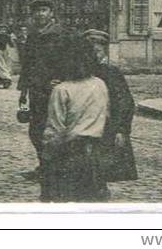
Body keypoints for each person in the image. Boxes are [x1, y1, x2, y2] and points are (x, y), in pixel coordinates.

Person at [40, 36, 110, 202]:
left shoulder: (61, 90)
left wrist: (47, 155)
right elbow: (106, 115)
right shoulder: (100, 84)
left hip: (69, 154)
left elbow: (55, 129)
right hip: (96, 154)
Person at [17, 0, 68, 180]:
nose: (40, 14)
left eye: (44, 10)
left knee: (53, 130)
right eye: (37, 11)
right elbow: (27, 65)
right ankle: (44, 165)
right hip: (36, 90)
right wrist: (23, 91)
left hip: (54, 92)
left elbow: (67, 61)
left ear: (51, 13)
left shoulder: (60, 35)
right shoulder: (33, 36)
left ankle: (53, 168)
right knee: (35, 131)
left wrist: (61, 79)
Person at [84, 29, 138, 195]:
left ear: (104, 51)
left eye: (98, 50)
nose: (94, 55)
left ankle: (100, 192)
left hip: (107, 125)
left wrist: (121, 129)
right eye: (90, 51)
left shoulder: (111, 72)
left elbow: (125, 102)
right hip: (85, 123)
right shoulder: (80, 71)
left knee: (102, 165)